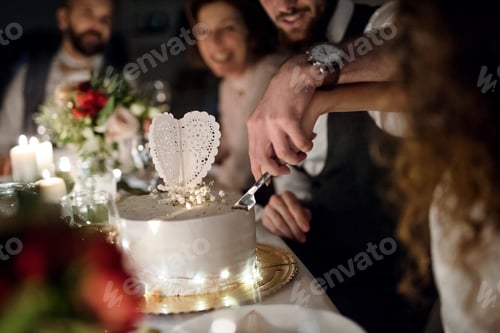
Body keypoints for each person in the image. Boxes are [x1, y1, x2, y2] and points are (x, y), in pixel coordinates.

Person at [249, 0, 500, 332]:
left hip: (397, 287)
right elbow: (301, 170)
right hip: (326, 269)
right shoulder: (295, 62)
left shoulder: (385, 19)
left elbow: (424, 56)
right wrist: (288, 200)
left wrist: (304, 72)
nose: (284, 3)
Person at [0, 0, 127, 174]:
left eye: (105, 19)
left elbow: (130, 157)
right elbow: (3, 142)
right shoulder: (29, 76)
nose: (97, 25)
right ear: (63, 18)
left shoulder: (123, 81)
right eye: (87, 14)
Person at [187, 0, 285, 194]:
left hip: (282, 201)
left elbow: (241, 166)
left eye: (228, 28)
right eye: (203, 32)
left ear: (252, 35)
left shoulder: (270, 72)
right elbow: (226, 146)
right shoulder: (227, 84)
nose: (214, 42)